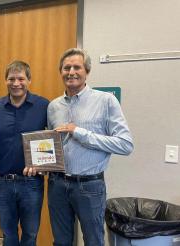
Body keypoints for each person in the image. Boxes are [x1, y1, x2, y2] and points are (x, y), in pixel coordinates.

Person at [25, 48, 133, 246]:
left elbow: (125, 144)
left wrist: (80, 133)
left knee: (93, 241)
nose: (71, 72)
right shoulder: (54, 106)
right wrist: (40, 164)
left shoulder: (105, 101)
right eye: (67, 68)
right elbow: (52, 146)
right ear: (61, 72)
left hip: (89, 186)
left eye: (77, 67)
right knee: (61, 241)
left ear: (87, 72)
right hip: (57, 185)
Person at [0, 60, 49, 246]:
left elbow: (53, 140)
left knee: (30, 235)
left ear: (29, 80)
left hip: (32, 183)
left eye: (21, 78)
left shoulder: (43, 106)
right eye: (11, 79)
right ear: (5, 80)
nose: (16, 83)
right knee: (8, 236)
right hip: (3, 183)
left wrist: (44, 165)